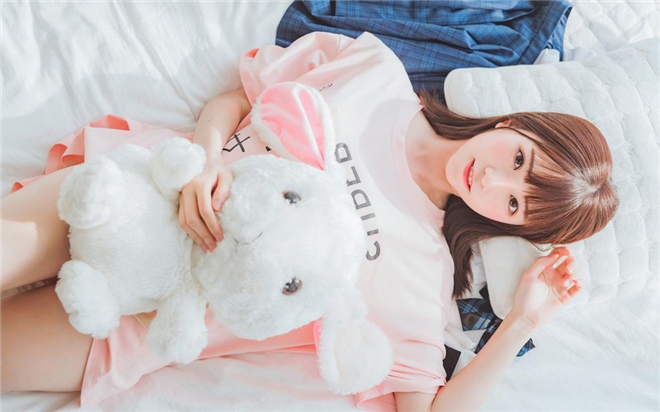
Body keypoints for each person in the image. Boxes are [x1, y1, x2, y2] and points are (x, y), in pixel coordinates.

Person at [1, 31, 617, 411]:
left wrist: (520, 322)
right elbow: (235, 99)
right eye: (518, 160)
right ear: (516, 124)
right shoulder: (374, 72)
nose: (493, 181)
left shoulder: (422, 275)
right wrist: (206, 163)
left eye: (513, 205)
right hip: (133, 196)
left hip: (150, 317)